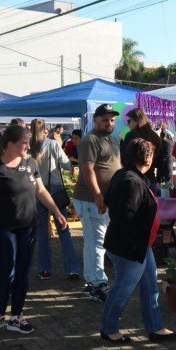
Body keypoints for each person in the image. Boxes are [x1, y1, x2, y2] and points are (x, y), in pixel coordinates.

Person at [0, 124, 67, 335]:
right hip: (3, 229)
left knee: (22, 273)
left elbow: (41, 191)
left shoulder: (30, 163)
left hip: (28, 228)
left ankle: (16, 316)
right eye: (24, 143)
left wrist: (56, 211)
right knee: (7, 272)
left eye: (28, 142)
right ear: (10, 144)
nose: (28, 146)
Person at [100, 138, 176, 343]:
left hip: (141, 245)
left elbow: (109, 200)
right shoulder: (131, 180)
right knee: (122, 289)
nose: (153, 158)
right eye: (151, 154)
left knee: (150, 286)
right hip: (131, 247)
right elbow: (125, 217)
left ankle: (155, 327)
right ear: (145, 157)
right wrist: (136, 244)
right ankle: (109, 329)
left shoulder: (129, 176)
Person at [73, 103, 122, 302]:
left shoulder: (113, 139)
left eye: (112, 119)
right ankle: (96, 284)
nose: (109, 123)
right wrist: (98, 195)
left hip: (104, 200)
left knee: (99, 242)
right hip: (91, 199)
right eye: (105, 120)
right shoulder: (90, 140)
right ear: (95, 120)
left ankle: (94, 281)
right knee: (96, 243)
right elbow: (87, 169)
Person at [30, 119, 80, 280]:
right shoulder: (52, 144)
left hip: (37, 192)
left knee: (42, 232)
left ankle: (45, 269)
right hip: (55, 190)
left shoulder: (30, 147)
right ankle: (72, 268)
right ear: (45, 130)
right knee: (63, 230)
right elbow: (65, 165)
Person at [121, 108, 162, 189]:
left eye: (129, 121)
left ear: (137, 120)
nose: (127, 124)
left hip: (133, 180)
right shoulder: (155, 137)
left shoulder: (130, 135)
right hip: (151, 179)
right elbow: (160, 161)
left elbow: (124, 158)